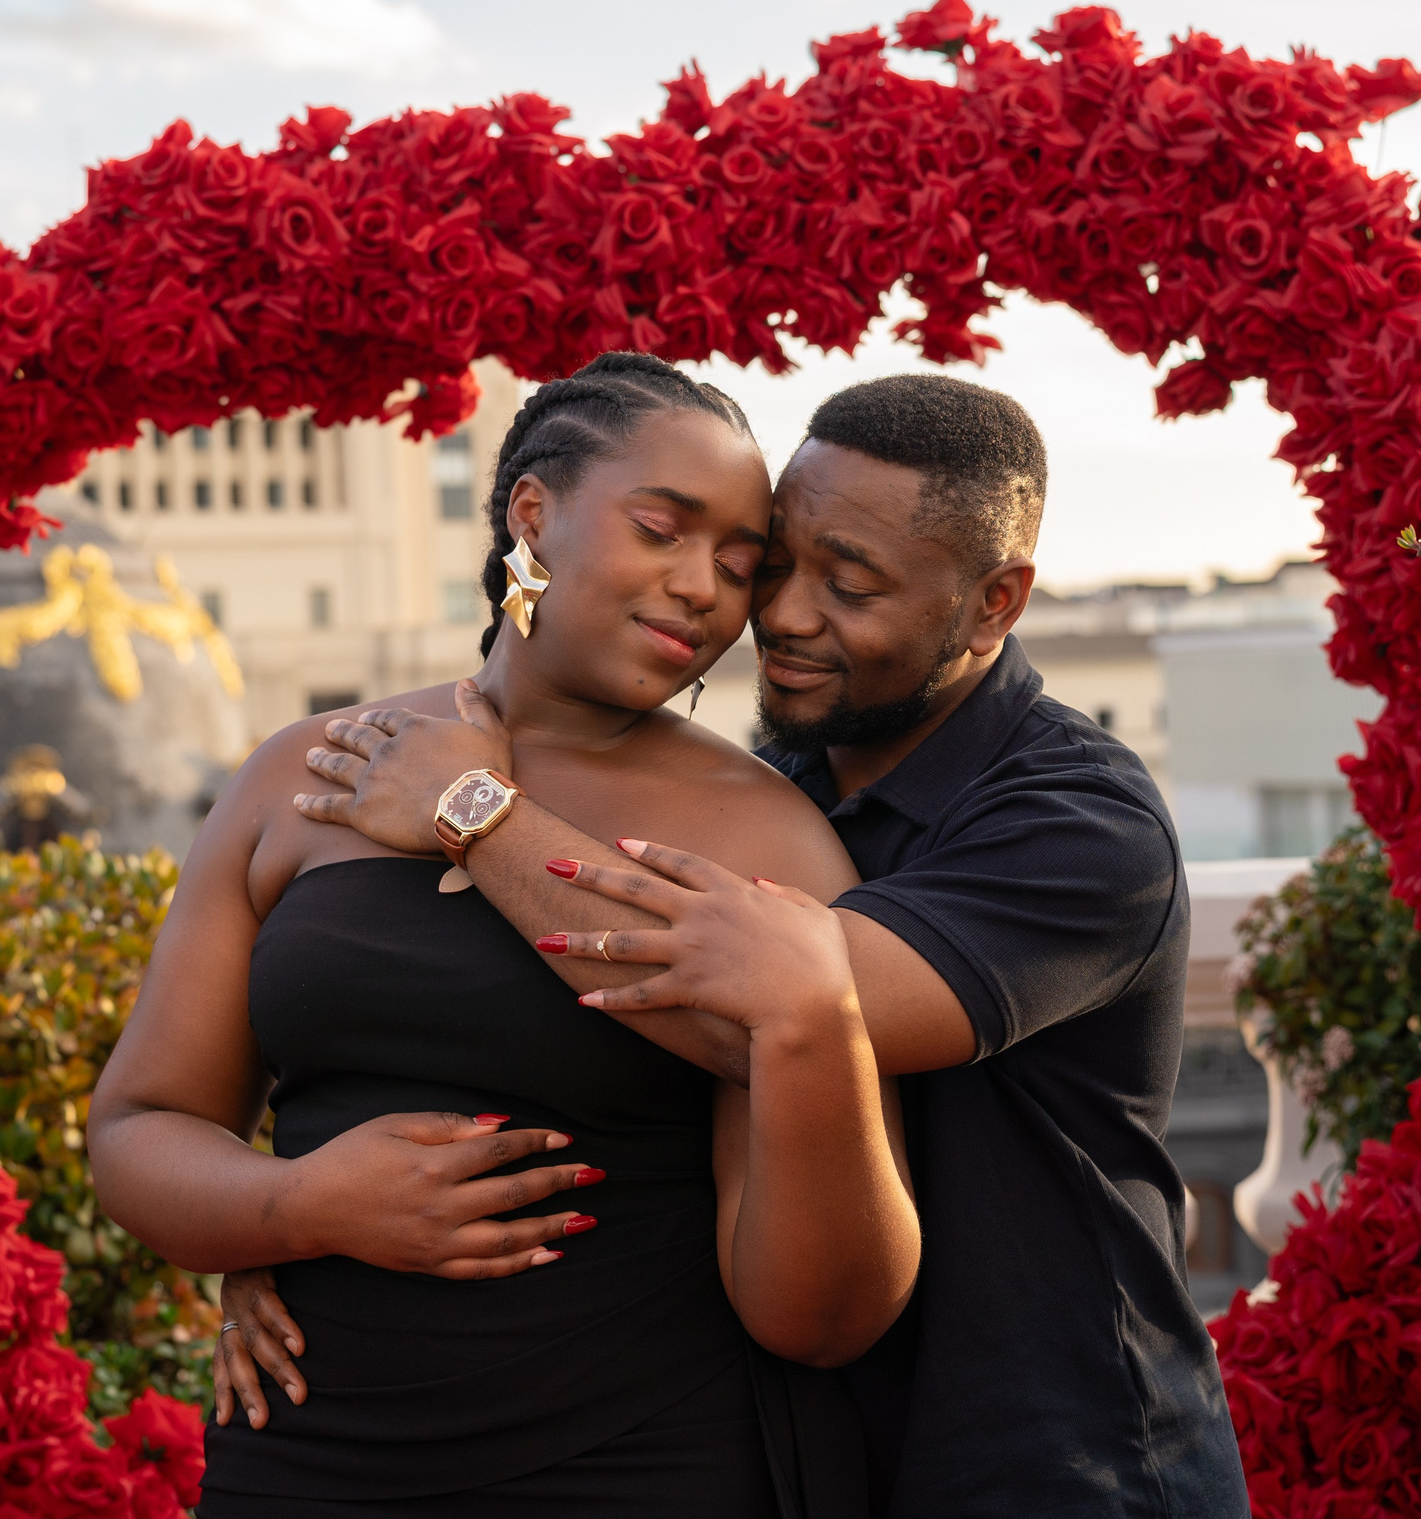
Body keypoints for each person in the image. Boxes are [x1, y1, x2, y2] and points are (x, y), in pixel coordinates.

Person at [251, 373, 1249, 1517]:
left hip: (1056, 1457)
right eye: (772, 564)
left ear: (993, 605)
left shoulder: (1079, 825)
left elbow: (763, 1011)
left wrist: (475, 812)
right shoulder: (786, 784)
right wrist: (298, 1228)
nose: (779, 615)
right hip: (810, 1444)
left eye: (850, 584)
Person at [87, 353, 917, 1518]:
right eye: (662, 530)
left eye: (738, 565)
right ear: (533, 511)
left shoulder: (768, 837)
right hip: (309, 1456)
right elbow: (141, 1126)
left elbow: (823, 1315)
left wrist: (813, 1024)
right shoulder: (306, 771)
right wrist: (299, 1206)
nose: (703, 588)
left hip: (640, 1461)